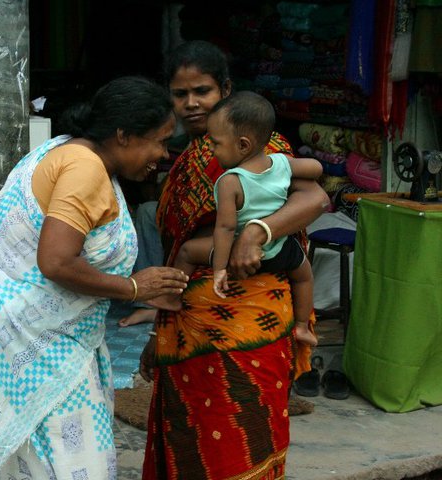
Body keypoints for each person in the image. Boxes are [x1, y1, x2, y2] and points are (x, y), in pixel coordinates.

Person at [0, 76, 189, 480]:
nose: (162, 154)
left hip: (34, 332)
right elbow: (56, 261)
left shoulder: (68, 152)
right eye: (158, 141)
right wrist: (135, 287)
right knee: (71, 464)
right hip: (42, 342)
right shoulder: (84, 167)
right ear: (122, 135)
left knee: (38, 459)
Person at [139, 41, 329, 479]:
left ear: (224, 89)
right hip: (190, 321)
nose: (190, 103)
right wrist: (157, 330)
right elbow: (180, 250)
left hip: (253, 307)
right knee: (190, 438)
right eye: (180, 93)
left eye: (201, 91)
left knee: (245, 434)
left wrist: (258, 231)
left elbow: (316, 196)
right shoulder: (188, 158)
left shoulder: (263, 147)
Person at [173, 91, 322, 347]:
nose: (210, 147)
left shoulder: (230, 181)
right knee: (304, 275)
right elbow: (316, 169)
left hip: (238, 253)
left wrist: (220, 268)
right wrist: (289, 165)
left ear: (243, 145)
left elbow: (226, 227)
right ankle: (302, 327)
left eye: (216, 143)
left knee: (187, 251)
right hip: (280, 251)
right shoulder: (281, 163)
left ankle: (170, 297)